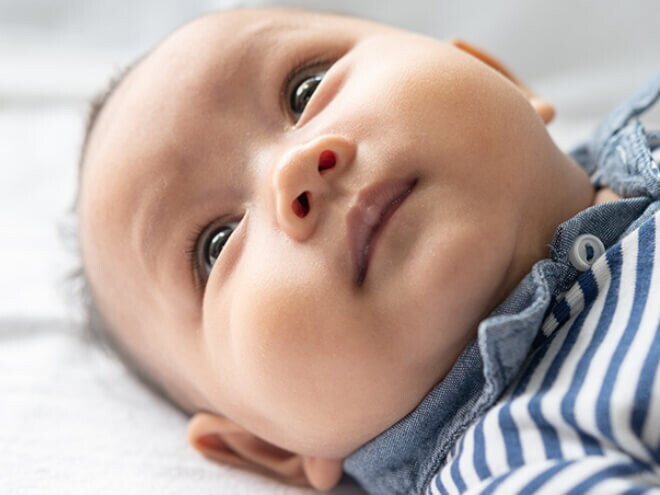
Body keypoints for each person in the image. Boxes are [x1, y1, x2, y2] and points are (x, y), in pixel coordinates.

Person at [75, 6, 660, 494]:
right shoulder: (524, 460)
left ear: (489, 69)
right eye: (216, 244)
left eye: (305, 89)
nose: (295, 171)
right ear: (267, 445)